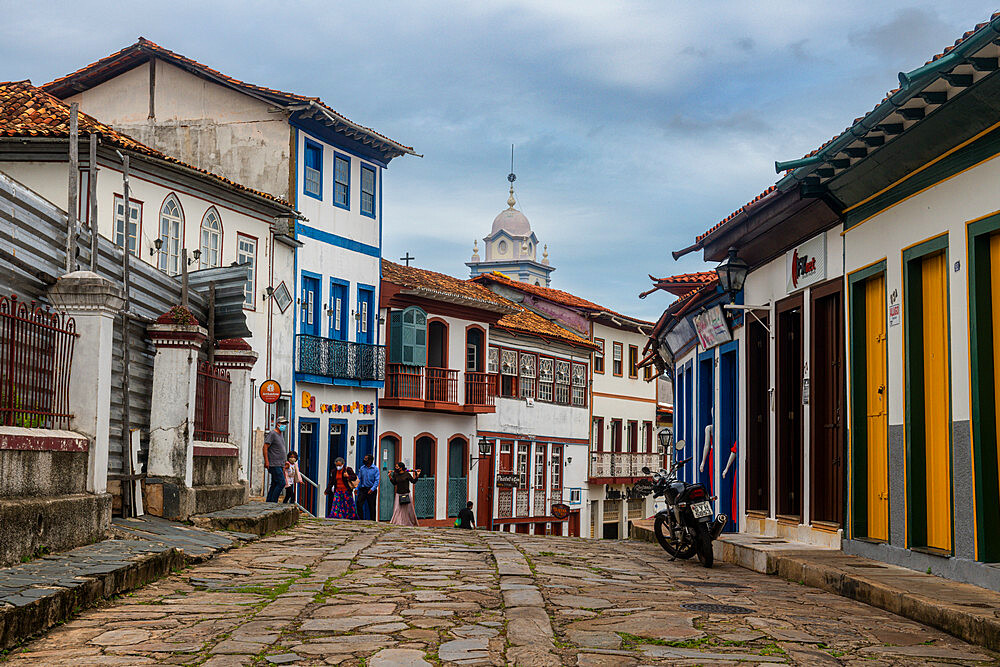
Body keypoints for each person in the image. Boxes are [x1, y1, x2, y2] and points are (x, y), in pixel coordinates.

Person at [263, 417, 288, 503]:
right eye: (282, 423)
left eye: (285, 424)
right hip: (274, 463)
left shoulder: (280, 434)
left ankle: (269, 501)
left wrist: (284, 464)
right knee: (281, 483)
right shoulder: (272, 434)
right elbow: (265, 447)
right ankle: (274, 501)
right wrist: (266, 461)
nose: (284, 425)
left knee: (274, 483)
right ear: (278, 424)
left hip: (280, 464)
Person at [389, 461, 420, 526]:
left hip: (406, 494)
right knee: (397, 509)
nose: (395, 468)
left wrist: (417, 475)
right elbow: (394, 483)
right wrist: (390, 477)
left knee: (408, 510)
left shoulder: (407, 474)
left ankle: (408, 522)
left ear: (401, 468)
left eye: (397, 467)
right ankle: (397, 522)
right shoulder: (395, 474)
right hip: (398, 494)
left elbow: (413, 481)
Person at [355, 454, 379, 521]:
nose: (364, 460)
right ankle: (360, 519)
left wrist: (372, 489)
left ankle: (373, 520)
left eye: (366, 459)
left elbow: (377, 481)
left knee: (371, 506)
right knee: (359, 503)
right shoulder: (362, 468)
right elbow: (359, 478)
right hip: (363, 489)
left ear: (370, 460)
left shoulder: (375, 469)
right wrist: (356, 488)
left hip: (371, 489)